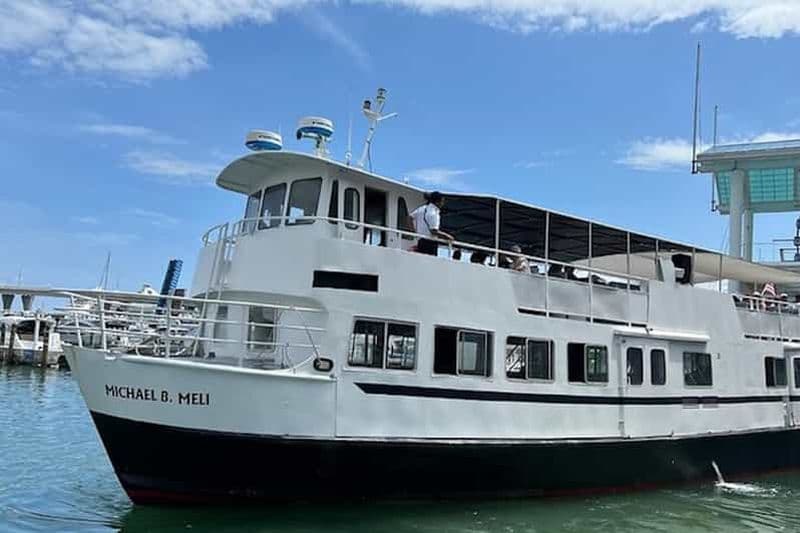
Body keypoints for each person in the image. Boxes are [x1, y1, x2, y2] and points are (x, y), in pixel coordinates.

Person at [409, 191, 454, 255]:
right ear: (437, 202)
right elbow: (433, 231)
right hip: (430, 243)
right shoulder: (434, 212)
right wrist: (447, 236)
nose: (442, 204)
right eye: (442, 201)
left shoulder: (421, 208)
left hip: (420, 241)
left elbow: (410, 217)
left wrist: (414, 232)